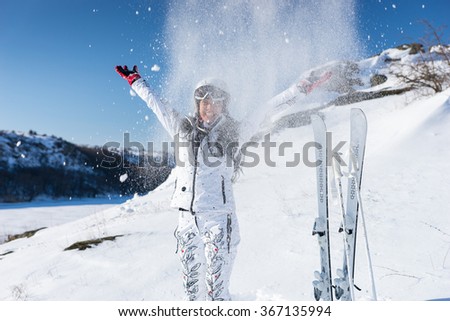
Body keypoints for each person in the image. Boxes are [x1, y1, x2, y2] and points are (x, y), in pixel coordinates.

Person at [115, 65, 241, 301]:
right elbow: (157, 105)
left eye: (215, 101)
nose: (209, 107)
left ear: (224, 104)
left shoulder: (234, 133)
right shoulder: (183, 129)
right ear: (197, 104)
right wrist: (136, 81)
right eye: (204, 102)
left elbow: (269, 110)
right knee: (192, 293)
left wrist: (303, 87)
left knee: (217, 294)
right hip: (186, 220)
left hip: (218, 219)